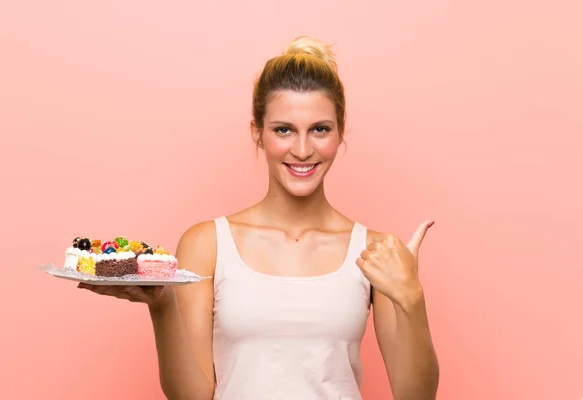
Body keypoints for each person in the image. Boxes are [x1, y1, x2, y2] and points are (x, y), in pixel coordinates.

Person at [78, 36, 440, 400]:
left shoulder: (376, 252)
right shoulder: (207, 244)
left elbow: (416, 397)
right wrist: (161, 305)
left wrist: (411, 296)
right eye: (283, 130)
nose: (302, 150)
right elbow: (191, 396)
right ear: (257, 133)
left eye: (320, 129)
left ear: (340, 133)